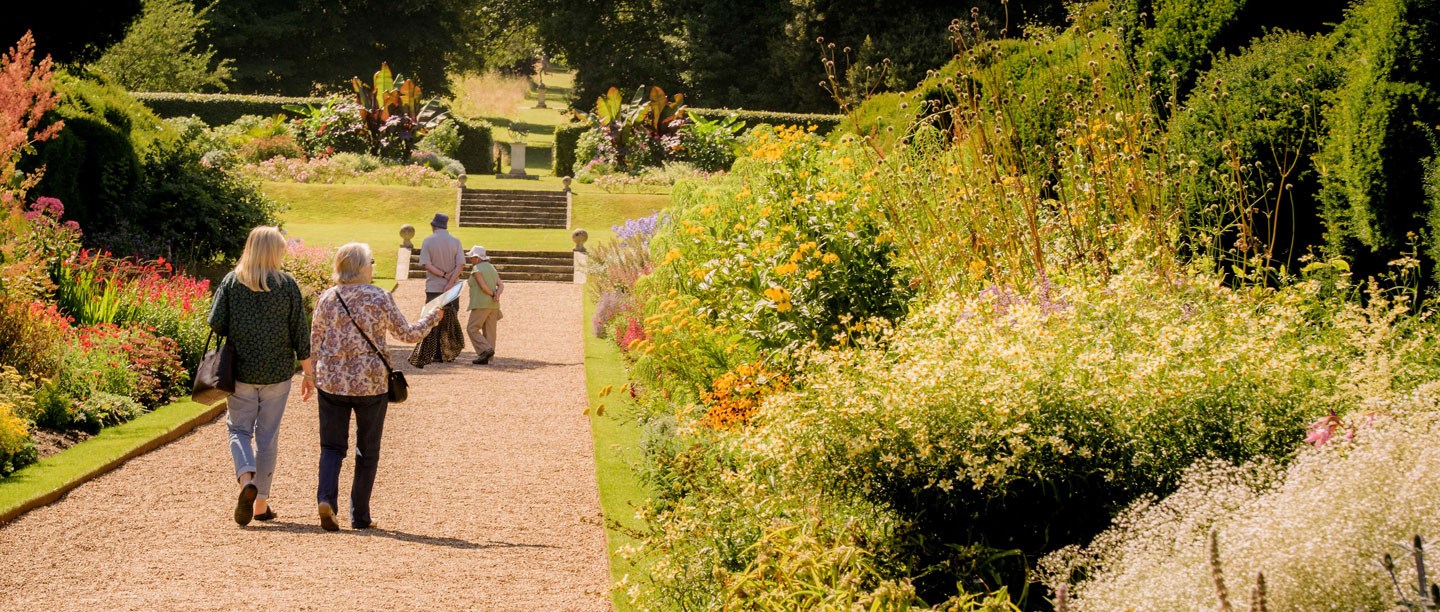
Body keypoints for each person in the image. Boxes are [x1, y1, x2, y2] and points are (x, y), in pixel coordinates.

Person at [309, 242, 441, 531]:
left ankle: (327, 500)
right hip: (370, 382)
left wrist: (312, 376)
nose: (372, 266)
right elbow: (407, 334)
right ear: (361, 266)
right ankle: (360, 515)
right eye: (370, 261)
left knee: (331, 446)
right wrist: (432, 318)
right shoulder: (378, 297)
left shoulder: (327, 297)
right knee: (367, 450)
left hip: (332, 380)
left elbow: (315, 338)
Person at [208, 226, 315, 526]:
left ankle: (246, 481)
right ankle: (261, 504)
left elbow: (216, 323)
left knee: (238, 430)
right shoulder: (287, 285)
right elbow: (300, 335)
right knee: (267, 438)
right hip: (277, 373)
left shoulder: (232, 282)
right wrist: (308, 375)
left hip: (240, 371)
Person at [410, 213, 464, 367]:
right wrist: (450, 280)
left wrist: (443, 275)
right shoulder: (455, 242)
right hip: (452, 288)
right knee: (450, 320)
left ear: (433, 226)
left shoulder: (428, 241)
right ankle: (449, 352)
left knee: (432, 320)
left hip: (434, 286)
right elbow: (460, 265)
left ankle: (433, 353)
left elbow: (427, 265)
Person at [463, 246, 504, 365]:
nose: (470, 260)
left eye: (472, 258)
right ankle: (487, 358)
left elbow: (482, 286)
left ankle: (485, 350)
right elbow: (501, 285)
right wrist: (497, 295)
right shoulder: (491, 268)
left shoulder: (477, 269)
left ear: (477, 258)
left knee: (472, 328)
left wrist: (492, 294)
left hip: (481, 303)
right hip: (494, 305)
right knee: (490, 332)